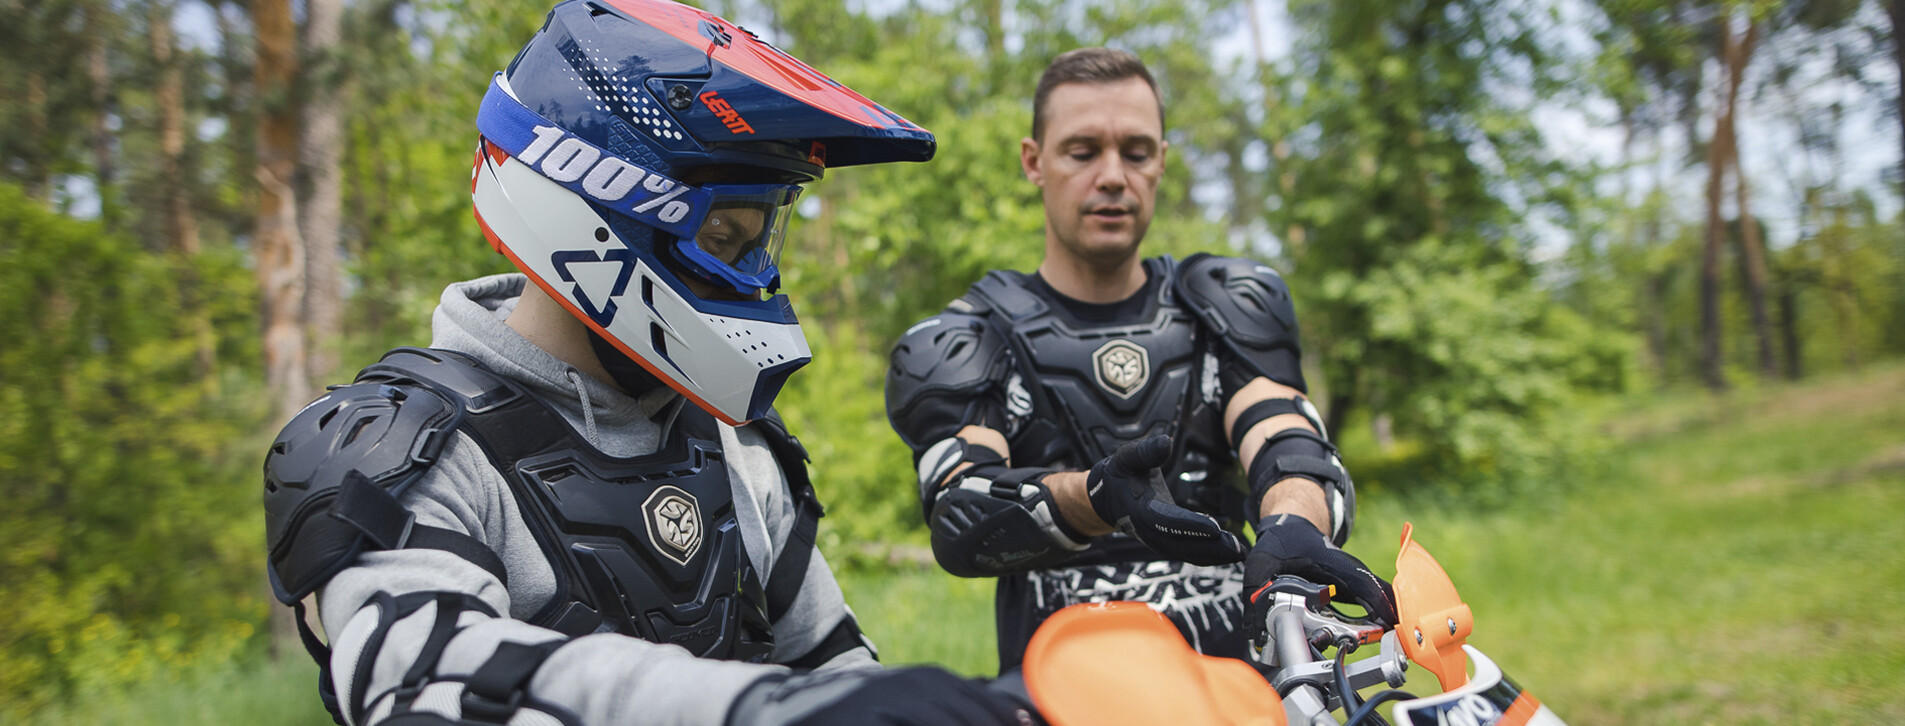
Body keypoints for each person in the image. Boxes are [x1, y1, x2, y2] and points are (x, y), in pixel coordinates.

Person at [261, 1, 1033, 724]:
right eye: (722, 239)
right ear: (598, 207)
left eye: (759, 241)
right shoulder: (397, 451)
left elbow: (829, 665)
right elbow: (423, 671)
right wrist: (760, 710)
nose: (755, 275)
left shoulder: (733, 447)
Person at [884, 47, 1397, 674]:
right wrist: (1097, 498)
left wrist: (1294, 523)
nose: (1111, 176)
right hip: (1060, 696)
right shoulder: (971, 334)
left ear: (1161, 163)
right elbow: (960, 511)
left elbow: (1285, 436)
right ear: (1033, 161)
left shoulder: (1225, 306)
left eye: (1135, 151)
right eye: (1082, 150)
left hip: (1245, 691)